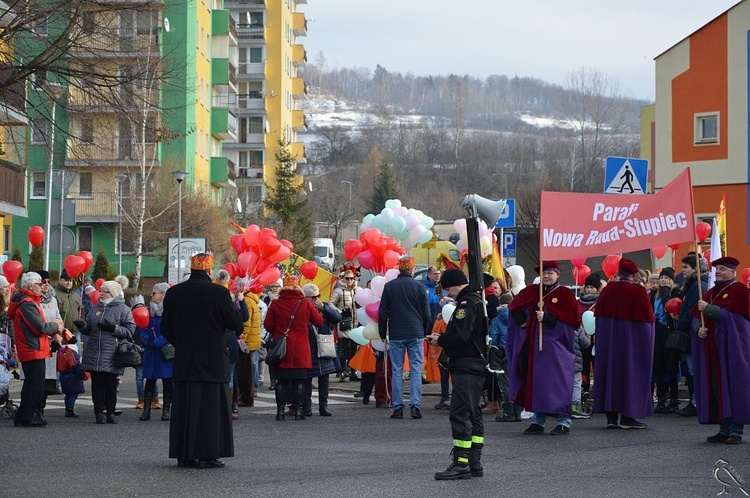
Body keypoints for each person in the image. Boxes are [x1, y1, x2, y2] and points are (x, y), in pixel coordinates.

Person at [161, 253, 244, 469]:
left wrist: (182, 343)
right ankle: (208, 455)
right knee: (211, 407)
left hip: (185, 358)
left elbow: (165, 328)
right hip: (213, 358)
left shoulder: (174, 292)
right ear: (209, 271)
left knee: (185, 406)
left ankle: (184, 454)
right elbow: (235, 322)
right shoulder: (218, 293)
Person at [507, 261, 580, 435]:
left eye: (550, 273)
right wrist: (522, 321)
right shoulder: (533, 291)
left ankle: (564, 421)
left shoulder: (565, 294)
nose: (547, 276)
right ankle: (538, 420)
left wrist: (547, 317)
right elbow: (514, 307)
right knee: (537, 383)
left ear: (557, 274)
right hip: (534, 347)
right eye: (544, 273)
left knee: (558, 383)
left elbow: (572, 324)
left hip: (557, 348)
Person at [428, 269, 487, 480]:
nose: (448, 293)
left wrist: (440, 339)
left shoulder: (465, 304)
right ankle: (474, 462)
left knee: (461, 413)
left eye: (447, 288)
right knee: (473, 413)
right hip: (476, 364)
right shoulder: (476, 300)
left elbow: (461, 334)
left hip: (466, 364)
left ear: (454, 285)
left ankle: (461, 463)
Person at [693, 256, 750, 444]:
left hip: (733, 350)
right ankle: (723, 429)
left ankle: (736, 431)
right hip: (713, 350)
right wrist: (698, 329)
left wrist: (709, 309)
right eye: (717, 269)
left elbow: (735, 319)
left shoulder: (740, 291)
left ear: (733, 272)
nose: (718, 271)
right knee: (718, 388)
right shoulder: (709, 293)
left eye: (723, 269)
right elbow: (696, 317)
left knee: (734, 387)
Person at [593, 258, 655, 429]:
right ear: (634, 275)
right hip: (631, 346)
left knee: (610, 374)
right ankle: (628, 416)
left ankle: (611, 417)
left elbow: (599, 320)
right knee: (631, 374)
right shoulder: (638, 291)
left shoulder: (607, 291)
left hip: (610, 345)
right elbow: (647, 323)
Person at [378, 255, 432, 420]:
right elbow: (427, 314)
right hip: (415, 333)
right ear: (412, 269)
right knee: (415, 370)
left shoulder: (389, 287)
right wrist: (424, 331)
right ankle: (415, 407)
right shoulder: (419, 287)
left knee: (397, 370)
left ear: (399, 269)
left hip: (396, 334)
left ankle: (398, 408)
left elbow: (382, 312)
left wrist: (382, 332)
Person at [76, 279, 136, 424]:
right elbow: (89, 329)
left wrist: (113, 328)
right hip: (95, 351)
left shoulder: (123, 309)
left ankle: (110, 413)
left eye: (105, 291)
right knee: (96, 384)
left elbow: (130, 330)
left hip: (112, 352)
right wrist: (82, 326)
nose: (101, 293)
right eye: (101, 290)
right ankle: (98, 413)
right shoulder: (95, 309)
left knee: (110, 384)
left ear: (113, 293)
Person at [264, 275, 323, 421]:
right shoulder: (305, 303)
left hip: (281, 348)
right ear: (297, 287)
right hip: (300, 348)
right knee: (299, 381)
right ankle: (298, 412)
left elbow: (268, 325)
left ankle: (280, 412)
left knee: (281, 381)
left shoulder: (276, 304)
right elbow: (319, 321)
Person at [8, 272, 63, 427]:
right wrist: (57, 326)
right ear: (31, 286)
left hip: (32, 348)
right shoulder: (27, 304)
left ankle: (24, 415)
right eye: (39, 284)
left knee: (32, 385)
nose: (42, 287)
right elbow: (40, 327)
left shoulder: (28, 302)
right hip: (32, 348)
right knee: (35, 386)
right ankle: (28, 416)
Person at [675, 252, 708, 417]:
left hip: (691, 333)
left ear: (695, 268)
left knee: (693, 370)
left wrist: (681, 322)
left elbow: (691, 311)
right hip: (688, 332)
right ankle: (694, 401)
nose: (682, 270)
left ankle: (696, 402)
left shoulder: (698, 286)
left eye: (685, 267)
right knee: (690, 370)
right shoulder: (691, 285)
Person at [302, 283, 341, 417]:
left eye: (317, 296)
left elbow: (337, 318)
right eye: (312, 297)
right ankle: (307, 407)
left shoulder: (324, 306)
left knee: (324, 379)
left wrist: (324, 308)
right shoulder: (302, 308)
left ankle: (323, 407)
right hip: (309, 346)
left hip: (324, 345)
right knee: (307, 379)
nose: (315, 300)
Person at [139, 283, 174, 422]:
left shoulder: (170, 311)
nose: (152, 296)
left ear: (163, 295)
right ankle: (146, 410)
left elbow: (172, 330)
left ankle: (166, 410)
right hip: (151, 351)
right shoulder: (147, 310)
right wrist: (144, 337)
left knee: (167, 381)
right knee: (150, 380)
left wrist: (159, 342)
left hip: (164, 350)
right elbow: (142, 325)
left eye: (155, 293)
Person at [651, 267, 680, 413]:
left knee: (671, 367)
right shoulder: (653, 295)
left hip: (669, 333)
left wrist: (664, 292)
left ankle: (673, 400)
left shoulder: (674, 293)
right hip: (656, 332)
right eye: (662, 278)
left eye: (667, 278)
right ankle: (661, 400)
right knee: (659, 367)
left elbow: (670, 308)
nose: (663, 280)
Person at [330, 265, 361, 382]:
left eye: (351, 278)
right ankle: (342, 371)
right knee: (344, 348)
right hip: (344, 324)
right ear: (343, 279)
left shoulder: (357, 290)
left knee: (354, 348)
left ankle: (353, 371)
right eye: (347, 278)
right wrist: (340, 312)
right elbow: (331, 304)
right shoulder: (339, 291)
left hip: (355, 324)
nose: (349, 281)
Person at [237, 278, 262, 407]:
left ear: (242, 286)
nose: (235, 287)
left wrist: (242, 340)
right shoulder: (253, 299)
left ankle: (248, 395)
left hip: (248, 340)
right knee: (252, 367)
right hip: (254, 338)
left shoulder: (246, 301)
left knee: (246, 370)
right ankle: (252, 391)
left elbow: (246, 323)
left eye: (237, 285)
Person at [58, 338, 85, 418]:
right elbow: (76, 365)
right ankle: (70, 409)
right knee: (73, 394)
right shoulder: (73, 352)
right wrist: (82, 374)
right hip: (73, 376)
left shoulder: (62, 351)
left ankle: (67, 408)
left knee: (68, 394)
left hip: (63, 375)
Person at [56, 270, 83, 344]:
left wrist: (81, 324)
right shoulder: (55, 295)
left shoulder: (76, 296)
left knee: (76, 355)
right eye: (66, 280)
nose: (69, 282)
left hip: (75, 333)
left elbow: (82, 310)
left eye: (70, 280)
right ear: (60, 280)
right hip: (61, 334)